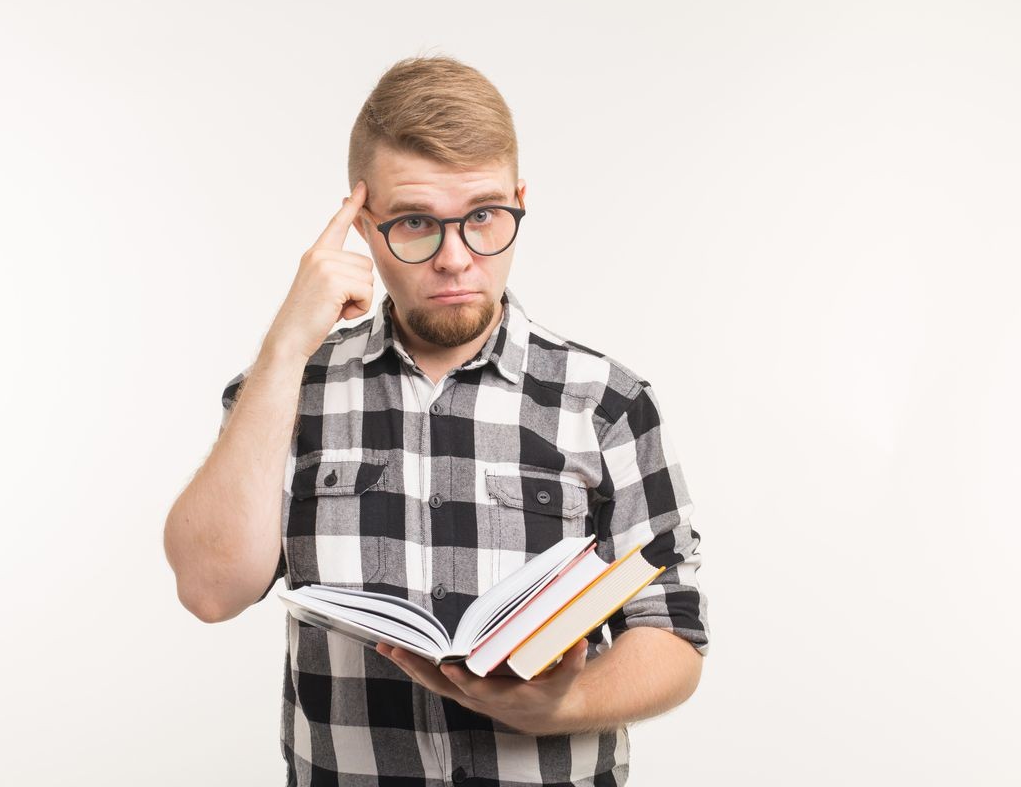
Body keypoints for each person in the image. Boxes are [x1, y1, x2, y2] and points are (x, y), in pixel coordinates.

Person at [163, 54, 709, 786]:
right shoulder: (287, 389)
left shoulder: (607, 402)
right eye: (416, 223)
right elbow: (209, 589)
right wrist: (286, 344)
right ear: (362, 223)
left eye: (483, 216)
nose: (455, 259)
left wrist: (561, 704)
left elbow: (672, 632)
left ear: (519, 201)